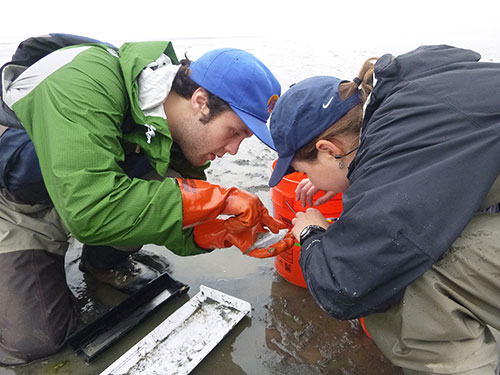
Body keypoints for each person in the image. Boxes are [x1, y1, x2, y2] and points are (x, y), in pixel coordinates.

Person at [0, 36, 294, 365]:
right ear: (201, 101)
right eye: (235, 132)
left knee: (168, 188)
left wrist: (216, 232)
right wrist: (220, 198)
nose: (233, 150)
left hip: (79, 194)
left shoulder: (178, 135)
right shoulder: (89, 78)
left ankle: (102, 264)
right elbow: (91, 212)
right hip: (18, 205)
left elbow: (177, 211)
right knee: (31, 343)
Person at [267, 45, 500, 374]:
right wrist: (346, 173)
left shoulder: (394, 150)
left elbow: (345, 284)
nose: (306, 180)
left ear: (328, 149)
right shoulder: (404, 104)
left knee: (405, 278)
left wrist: (311, 232)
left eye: (305, 171)